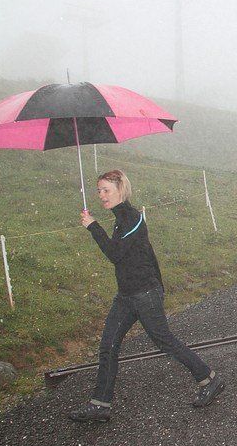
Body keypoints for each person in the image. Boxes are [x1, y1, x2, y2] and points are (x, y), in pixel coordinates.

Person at [69, 170, 224, 423]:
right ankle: (100, 405)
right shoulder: (121, 219)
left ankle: (209, 379)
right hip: (126, 295)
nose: (101, 195)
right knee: (108, 346)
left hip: (144, 294)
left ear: (121, 189)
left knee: (165, 341)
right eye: (99, 191)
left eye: (106, 190)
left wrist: (93, 227)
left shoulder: (132, 218)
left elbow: (115, 254)